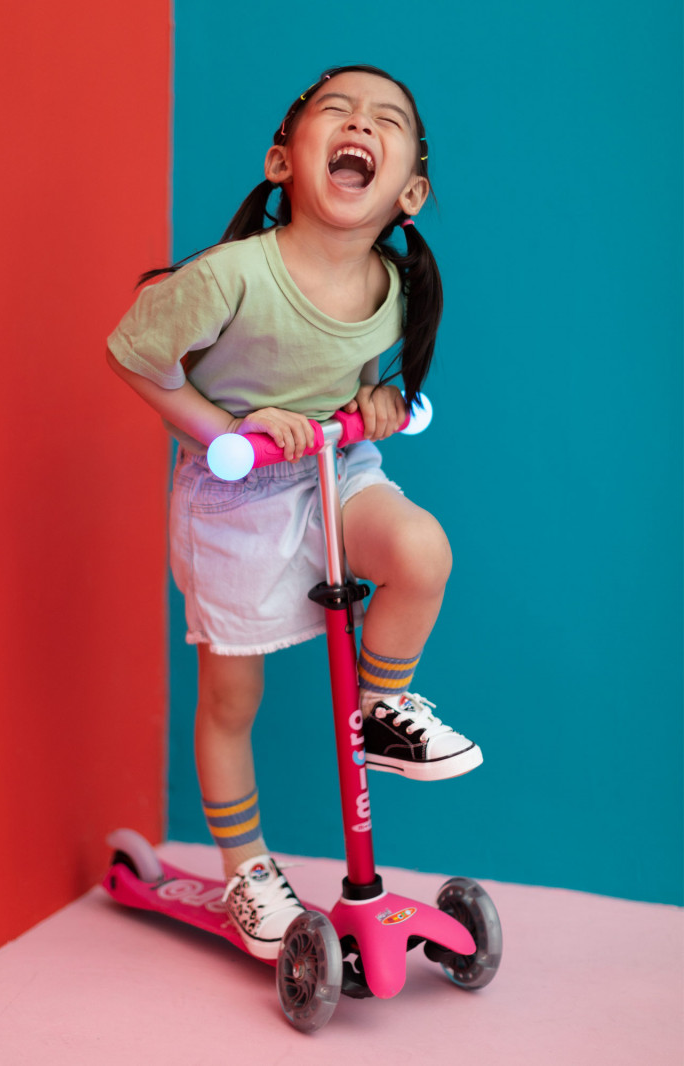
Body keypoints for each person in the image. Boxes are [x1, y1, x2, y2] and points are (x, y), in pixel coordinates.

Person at [106, 64, 482, 961]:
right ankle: (246, 870)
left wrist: (377, 402)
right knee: (232, 696)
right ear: (283, 160)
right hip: (236, 492)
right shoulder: (232, 275)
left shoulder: (393, 287)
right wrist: (226, 429)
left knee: (422, 551)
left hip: (332, 468)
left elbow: (351, 377)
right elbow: (131, 354)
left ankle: (382, 709)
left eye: (387, 120)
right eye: (336, 111)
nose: (361, 123)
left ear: (410, 192)